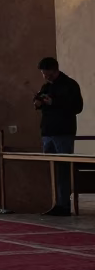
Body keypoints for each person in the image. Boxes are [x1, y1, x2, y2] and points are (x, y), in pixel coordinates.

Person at [34, 56, 84, 216]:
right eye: (43, 73)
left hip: (63, 132)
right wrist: (38, 103)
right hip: (48, 131)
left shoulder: (70, 85)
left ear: (54, 70)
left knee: (63, 169)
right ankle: (57, 202)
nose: (45, 76)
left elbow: (77, 107)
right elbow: (41, 103)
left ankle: (64, 204)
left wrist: (53, 102)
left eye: (46, 72)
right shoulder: (46, 87)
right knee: (53, 169)